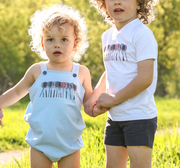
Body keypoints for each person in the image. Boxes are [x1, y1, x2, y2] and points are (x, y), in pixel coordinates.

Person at [0, 4, 92, 168]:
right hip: (40, 141)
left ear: (75, 44)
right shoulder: (37, 71)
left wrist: (105, 101)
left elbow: (89, 103)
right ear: (42, 44)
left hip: (69, 142)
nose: (57, 44)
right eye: (50, 39)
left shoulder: (81, 72)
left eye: (64, 39)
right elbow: (16, 92)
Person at [84, 0, 158, 167]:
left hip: (139, 116)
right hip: (115, 117)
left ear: (140, 4)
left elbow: (145, 78)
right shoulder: (107, 36)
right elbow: (111, 70)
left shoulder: (141, 34)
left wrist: (113, 99)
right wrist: (95, 95)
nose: (117, 1)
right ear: (103, 4)